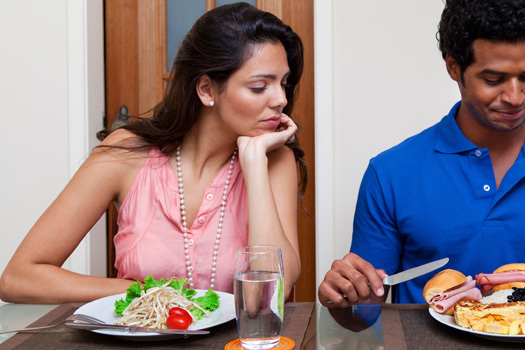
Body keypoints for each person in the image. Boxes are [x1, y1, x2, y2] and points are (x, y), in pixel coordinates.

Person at [319, 0, 525, 307]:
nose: (516, 96)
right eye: (493, 79)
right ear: (453, 67)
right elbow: (363, 315)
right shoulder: (390, 173)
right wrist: (347, 298)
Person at [0, 3, 305, 304]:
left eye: (284, 83)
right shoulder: (126, 153)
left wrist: (253, 163)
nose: (280, 99)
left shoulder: (274, 162)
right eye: (259, 87)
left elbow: (270, 296)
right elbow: (18, 279)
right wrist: (151, 294)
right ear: (207, 90)